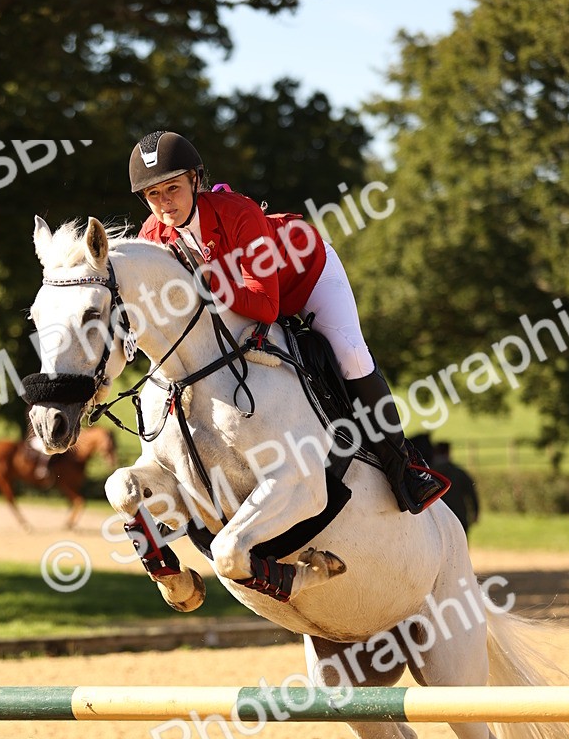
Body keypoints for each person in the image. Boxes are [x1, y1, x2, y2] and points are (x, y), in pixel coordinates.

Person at [129, 130, 449, 514]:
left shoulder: (238, 213)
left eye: (173, 189)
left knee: (350, 355)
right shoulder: (153, 236)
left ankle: (406, 467)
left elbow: (266, 305)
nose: (165, 205)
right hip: (243, 296)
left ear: (196, 180)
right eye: (153, 195)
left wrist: (211, 280)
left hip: (306, 274)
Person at [431, 441, 480, 536]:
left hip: (436, 519)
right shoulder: (459, 472)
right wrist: (476, 511)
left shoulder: (429, 473)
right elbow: (472, 493)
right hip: (459, 517)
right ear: (448, 453)